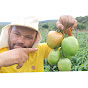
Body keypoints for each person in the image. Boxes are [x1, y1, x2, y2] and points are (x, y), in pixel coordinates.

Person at [0, 15, 77, 73]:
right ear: (9, 31)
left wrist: (66, 27)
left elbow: (64, 45)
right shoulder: (1, 54)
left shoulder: (39, 50)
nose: (21, 41)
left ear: (35, 38)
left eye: (28, 37)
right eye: (17, 34)